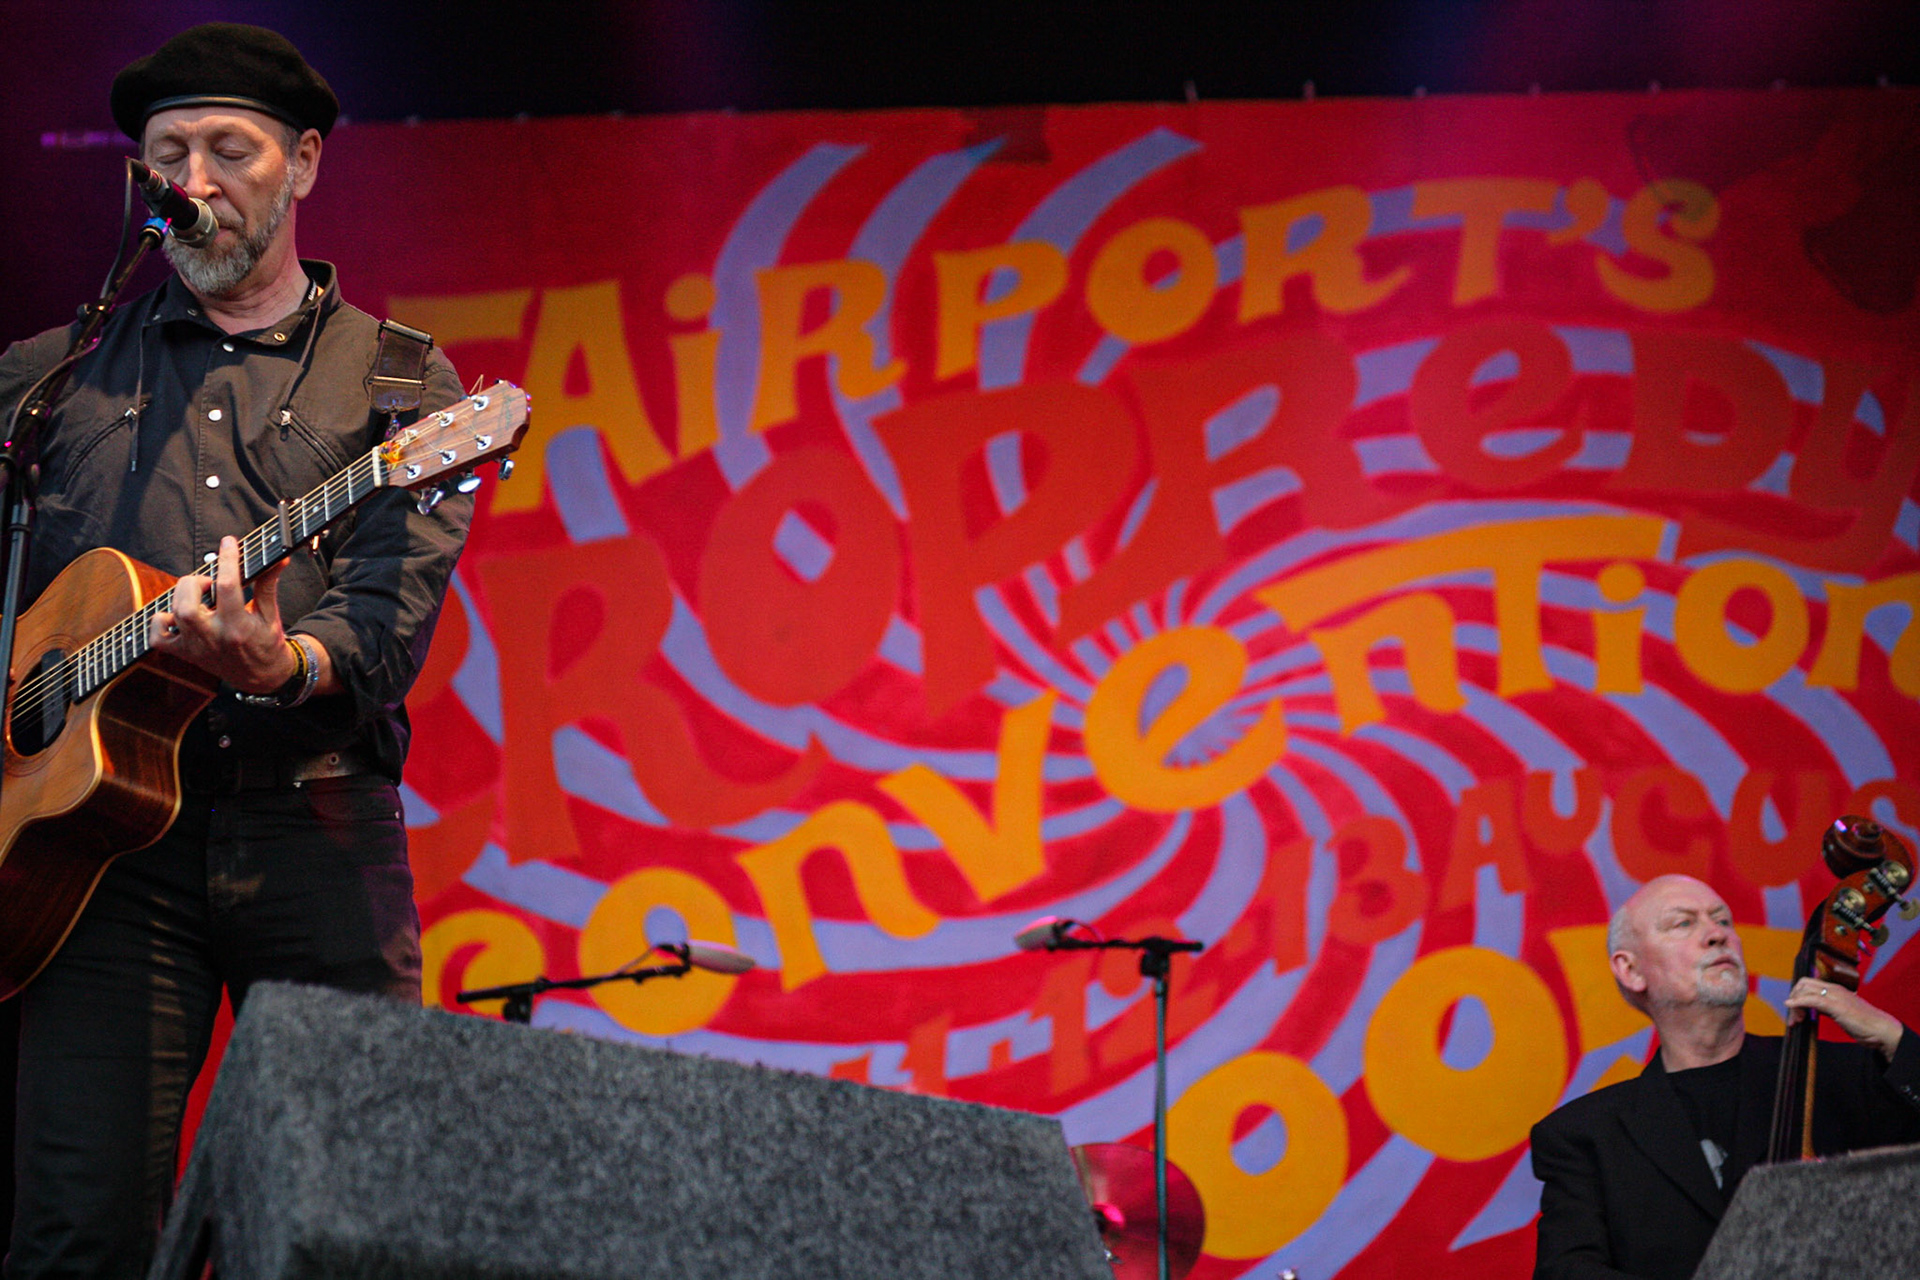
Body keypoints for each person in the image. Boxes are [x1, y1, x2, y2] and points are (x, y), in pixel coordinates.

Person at [0, 23, 473, 1277]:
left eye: (227, 148)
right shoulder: (47, 385)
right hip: (94, 857)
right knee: (76, 1233)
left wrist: (284, 663)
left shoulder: (406, 391)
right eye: (167, 154)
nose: (192, 179)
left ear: (302, 164)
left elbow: (386, 617)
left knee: (360, 1223)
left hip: (312, 830)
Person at [1529, 873, 1920, 1280]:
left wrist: (1894, 1039)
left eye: (1723, 921)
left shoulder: (1846, 1076)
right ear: (1631, 970)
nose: (1716, 934)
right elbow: (1566, 1272)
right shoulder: (1584, 1135)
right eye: (1683, 923)